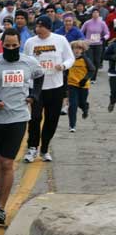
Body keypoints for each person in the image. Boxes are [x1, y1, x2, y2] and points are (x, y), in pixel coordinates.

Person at [0, 27, 44, 225]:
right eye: (8, 46)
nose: (11, 48)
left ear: (19, 44)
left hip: (18, 118)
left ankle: (0, 208)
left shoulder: (29, 62)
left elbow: (39, 77)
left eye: (15, 46)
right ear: (2, 44)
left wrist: (34, 96)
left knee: (7, 163)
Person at [23, 15, 75, 163]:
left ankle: (45, 148)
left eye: (41, 26)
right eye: (36, 26)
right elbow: (25, 62)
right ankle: (32, 147)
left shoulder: (60, 40)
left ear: (48, 27)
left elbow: (70, 58)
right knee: (35, 118)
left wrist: (63, 66)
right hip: (37, 88)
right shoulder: (30, 42)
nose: (37, 29)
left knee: (52, 119)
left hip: (55, 86)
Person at [66, 40, 95, 131]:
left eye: (80, 48)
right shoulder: (69, 59)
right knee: (73, 105)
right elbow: (65, 70)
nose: (77, 50)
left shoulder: (85, 59)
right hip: (72, 84)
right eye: (75, 48)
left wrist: (85, 79)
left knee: (81, 103)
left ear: (83, 50)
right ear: (72, 49)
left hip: (83, 85)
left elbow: (92, 70)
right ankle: (72, 125)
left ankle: (85, 107)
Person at [81, 9, 109, 82]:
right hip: (89, 45)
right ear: (92, 14)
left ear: (99, 14)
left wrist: (103, 38)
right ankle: (89, 76)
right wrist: (85, 40)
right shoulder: (87, 23)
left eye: (97, 12)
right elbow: (81, 32)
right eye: (94, 12)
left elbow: (107, 33)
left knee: (97, 61)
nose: (95, 14)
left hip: (98, 45)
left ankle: (93, 78)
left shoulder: (102, 23)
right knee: (90, 60)